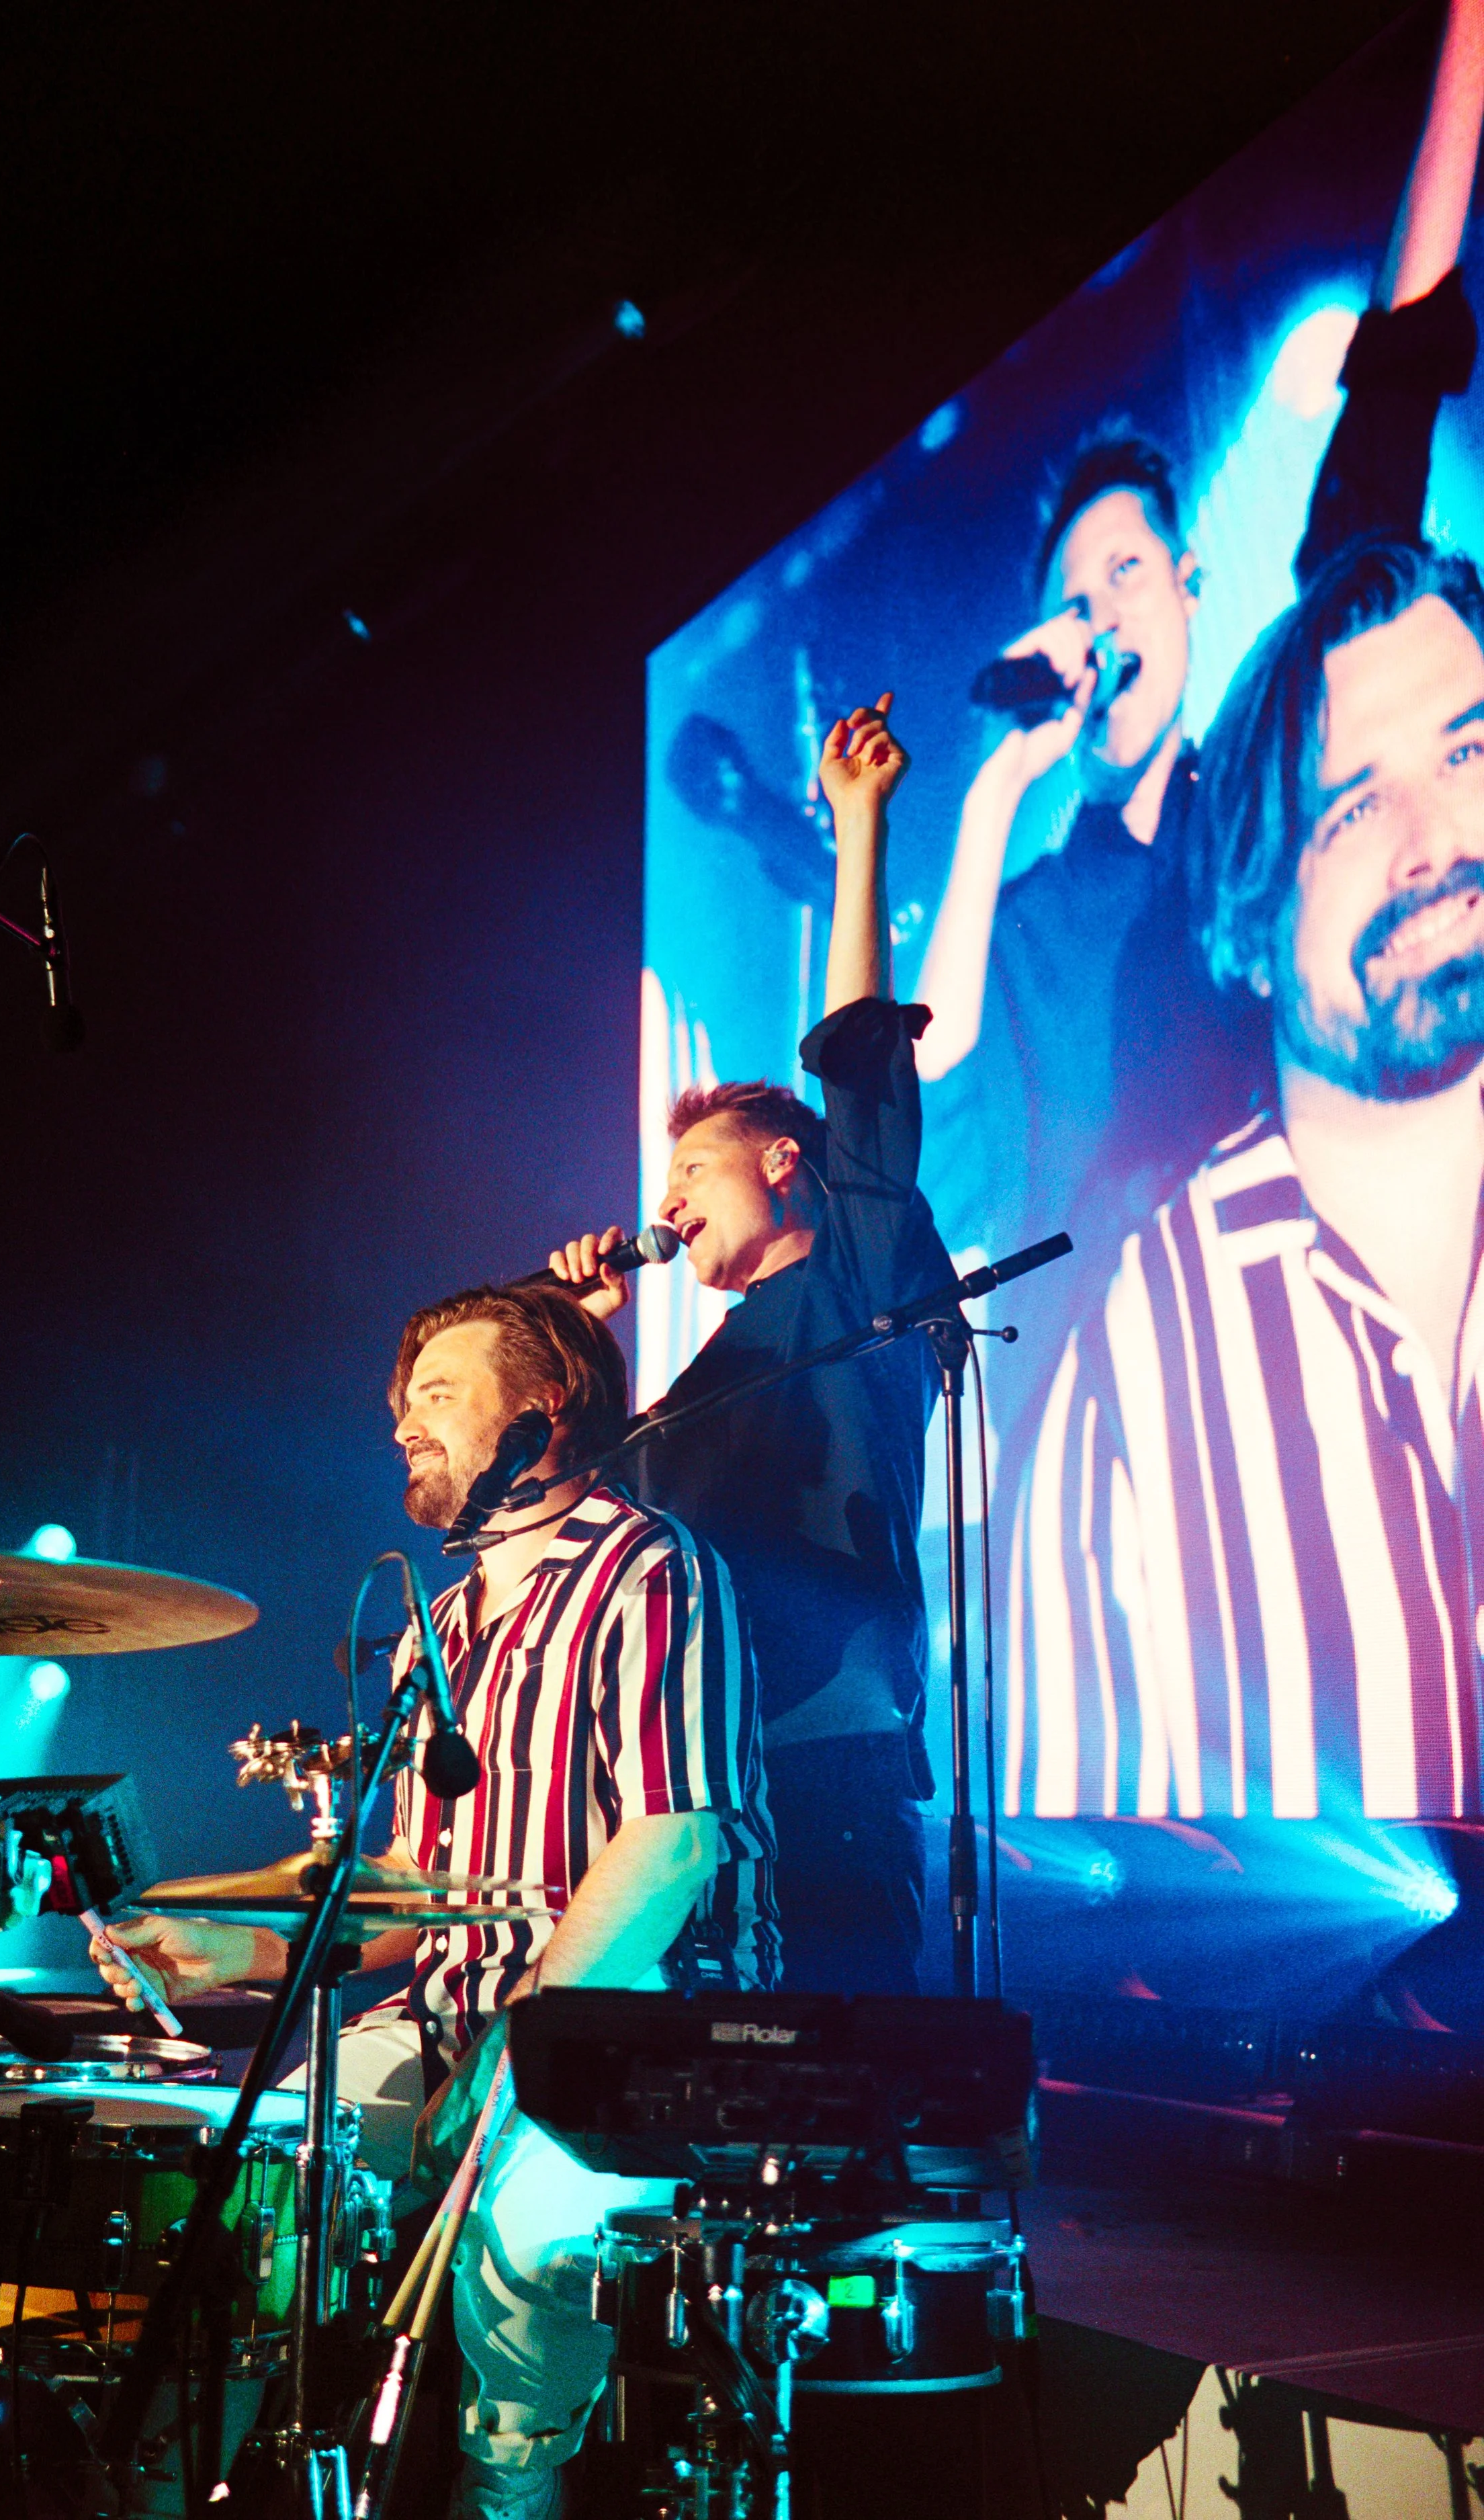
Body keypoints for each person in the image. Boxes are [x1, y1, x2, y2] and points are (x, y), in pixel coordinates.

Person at [93, 1283, 775, 2520]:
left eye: (439, 1397)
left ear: (544, 1410)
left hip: (633, 2039)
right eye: (403, 1406)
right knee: (250, 2186)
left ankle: (514, 2487)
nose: (405, 1424)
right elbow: (413, 1893)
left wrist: (525, 2031)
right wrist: (233, 1953)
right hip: (452, 2016)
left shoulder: (654, 1570)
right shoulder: (440, 1627)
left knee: (518, 2252)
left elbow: (678, 1842)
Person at [910, 0, 1484, 1282]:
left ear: (1189, 586)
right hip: (1143, 1413)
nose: (1104, 611)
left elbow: (1389, 391)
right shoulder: (1025, 924)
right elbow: (918, 1152)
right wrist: (998, 788)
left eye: (1128, 571)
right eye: (1076, 594)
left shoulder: (1265, 794)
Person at [1006, 534, 1484, 1822]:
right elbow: (1102, 1980)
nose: (1434, 842)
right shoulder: (1134, 1377)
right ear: (1255, 923)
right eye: (1352, 805)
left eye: (1467, 752)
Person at [551, 695, 955, 1997]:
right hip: (695, 1764)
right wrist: (577, 1342)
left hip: (826, 1745)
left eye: (690, 1166)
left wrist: (857, 825)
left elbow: (860, 1070)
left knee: (843, 2084)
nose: (663, 1197)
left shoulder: (860, 1272)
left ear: (784, 1164)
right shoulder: (704, 1374)